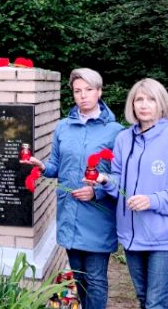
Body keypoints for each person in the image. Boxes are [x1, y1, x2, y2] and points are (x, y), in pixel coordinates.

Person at [86, 78, 168, 309]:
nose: (144, 105)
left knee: (155, 303)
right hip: (133, 237)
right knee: (144, 298)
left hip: (165, 239)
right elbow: (119, 179)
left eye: (151, 99)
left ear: (162, 104)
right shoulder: (123, 139)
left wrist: (152, 200)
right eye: (139, 99)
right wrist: (105, 180)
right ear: (132, 105)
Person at [26, 68, 123, 309]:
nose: (83, 96)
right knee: (79, 277)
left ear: (99, 92)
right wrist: (42, 166)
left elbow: (121, 178)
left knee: (96, 279)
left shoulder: (116, 132)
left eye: (89, 90)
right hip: (69, 214)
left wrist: (96, 191)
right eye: (78, 91)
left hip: (97, 216)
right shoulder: (63, 127)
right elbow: (56, 167)